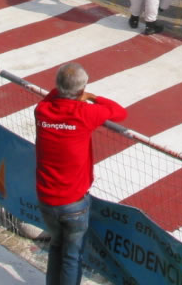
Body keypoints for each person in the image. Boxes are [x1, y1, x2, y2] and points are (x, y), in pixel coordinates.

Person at [34, 62, 126, 285]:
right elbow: (120, 112)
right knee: (72, 256)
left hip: (46, 198)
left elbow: (51, 96)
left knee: (56, 246)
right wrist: (91, 97)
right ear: (82, 89)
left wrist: (70, 91)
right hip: (74, 202)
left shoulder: (42, 110)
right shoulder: (85, 113)